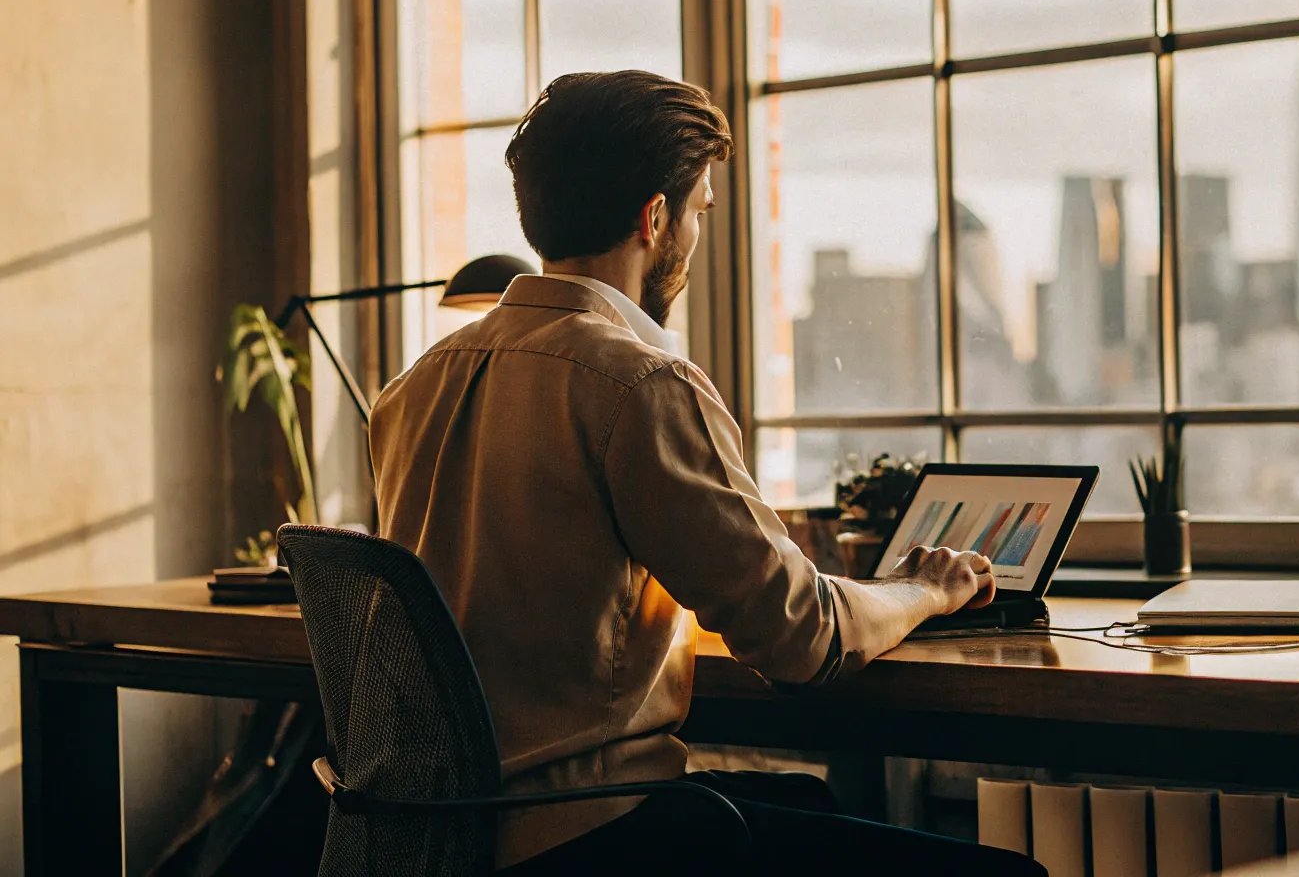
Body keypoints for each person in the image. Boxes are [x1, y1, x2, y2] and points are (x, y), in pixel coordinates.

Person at [369, 70, 1044, 876]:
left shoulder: (412, 388)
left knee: (808, 806)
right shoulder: (638, 382)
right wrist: (927, 588)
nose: (694, 237)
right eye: (699, 212)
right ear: (657, 218)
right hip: (587, 840)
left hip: (440, 841)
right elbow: (803, 639)